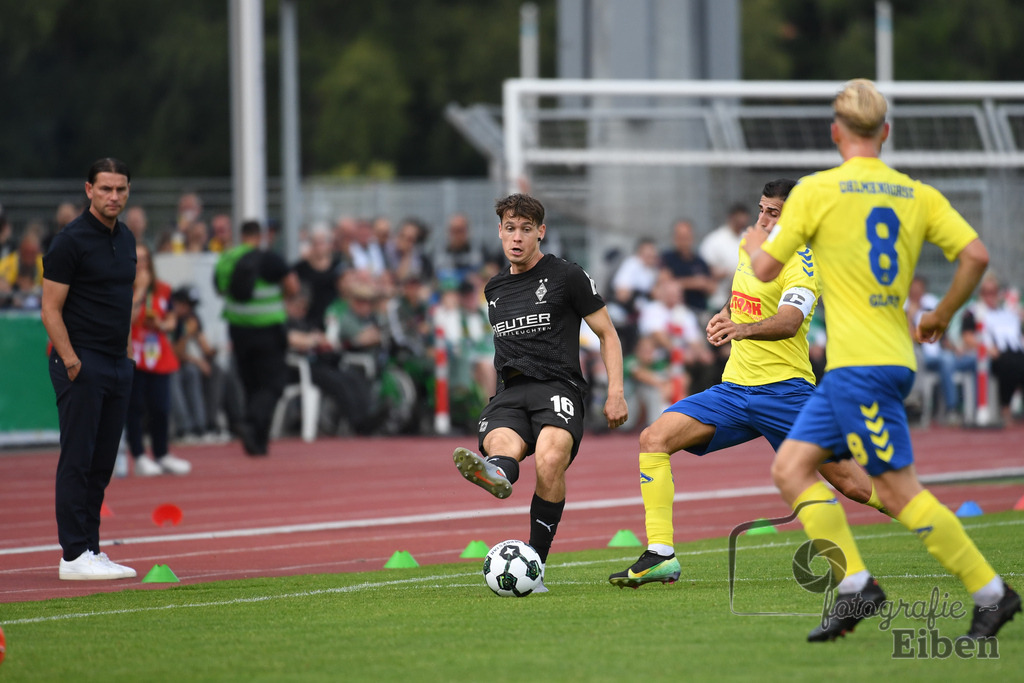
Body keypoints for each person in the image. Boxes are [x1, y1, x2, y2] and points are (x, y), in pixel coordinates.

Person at [744, 78, 1020, 641]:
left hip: (862, 365)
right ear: (885, 133)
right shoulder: (914, 193)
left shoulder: (819, 191)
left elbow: (766, 268)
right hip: (872, 361)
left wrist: (754, 243)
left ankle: (992, 593)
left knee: (896, 489)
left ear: (836, 132)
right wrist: (942, 312)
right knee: (790, 468)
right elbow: (976, 255)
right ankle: (856, 588)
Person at [609, 179, 885, 589]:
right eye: (762, 209)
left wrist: (743, 328)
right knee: (654, 439)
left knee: (855, 486)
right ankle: (660, 555)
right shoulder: (750, 244)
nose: (763, 219)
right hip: (735, 391)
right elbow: (739, 296)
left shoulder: (804, 262)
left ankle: (931, 522)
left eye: (774, 213)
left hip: (786, 394)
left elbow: (790, 322)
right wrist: (725, 315)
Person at [452, 193, 629, 591]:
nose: (517, 237)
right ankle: (496, 471)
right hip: (510, 392)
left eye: (526, 230)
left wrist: (615, 391)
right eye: (510, 229)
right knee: (501, 443)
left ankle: (535, 563)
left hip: (557, 388)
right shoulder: (494, 288)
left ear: (541, 232)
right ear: (499, 232)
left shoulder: (567, 275)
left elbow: (607, 333)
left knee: (549, 461)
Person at [40, 157, 137, 580]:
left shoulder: (127, 238)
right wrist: (72, 360)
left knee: (102, 463)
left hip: (117, 362)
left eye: (120, 189)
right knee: (77, 459)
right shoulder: (70, 241)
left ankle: (93, 549)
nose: (113, 196)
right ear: (88, 190)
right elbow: (50, 308)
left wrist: (125, 356)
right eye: (105, 189)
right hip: (82, 361)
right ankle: (73, 554)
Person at [214, 219, 300, 456]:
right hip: (267, 330)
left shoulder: (226, 259)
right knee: (273, 384)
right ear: (260, 236)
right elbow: (293, 287)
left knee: (251, 384)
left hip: (238, 330)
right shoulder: (269, 258)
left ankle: (258, 442)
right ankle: (250, 422)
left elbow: (220, 290)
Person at [126, 244, 192, 476]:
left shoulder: (163, 289)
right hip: (134, 353)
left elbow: (172, 320)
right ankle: (139, 456)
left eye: (145, 260)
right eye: (137, 260)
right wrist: (140, 289)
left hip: (158, 354)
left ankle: (162, 453)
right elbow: (128, 317)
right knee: (134, 408)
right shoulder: (124, 289)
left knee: (161, 407)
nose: (141, 265)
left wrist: (162, 325)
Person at [961, 274, 1024, 426]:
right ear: (981, 294)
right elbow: (967, 337)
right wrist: (986, 348)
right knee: (1008, 363)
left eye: (994, 292)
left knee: (1017, 361)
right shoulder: (973, 312)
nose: (990, 296)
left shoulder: (1008, 312)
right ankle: (1005, 407)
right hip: (987, 356)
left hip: (1013, 352)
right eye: (986, 293)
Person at [700, 201, 751, 311]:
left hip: (744, 299)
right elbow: (706, 271)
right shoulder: (715, 240)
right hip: (719, 299)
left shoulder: (748, 238)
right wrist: (728, 274)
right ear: (731, 218)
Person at [660, 219, 715, 316]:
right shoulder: (667, 258)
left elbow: (712, 287)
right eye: (681, 237)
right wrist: (695, 283)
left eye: (686, 236)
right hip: (675, 309)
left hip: (699, 309)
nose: (684, 240)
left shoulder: (700, 262)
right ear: (675, 237)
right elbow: (665, 283)